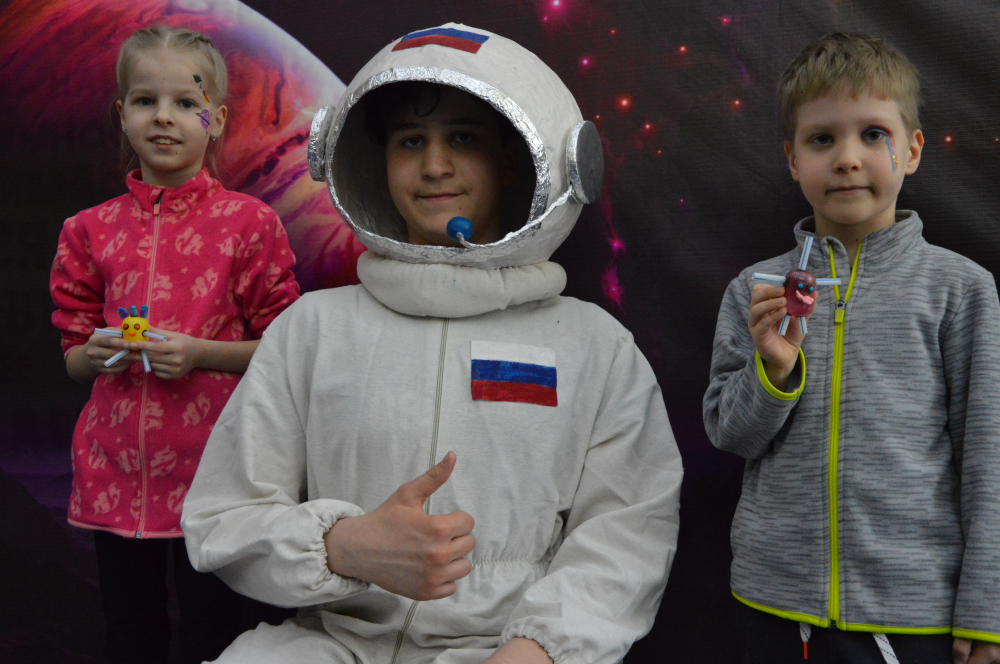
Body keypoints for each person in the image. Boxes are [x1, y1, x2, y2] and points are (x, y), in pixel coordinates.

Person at [182, 23, 683, 664]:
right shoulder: (313, 330)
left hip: (505, 650)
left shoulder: (594, 348)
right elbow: (223, 515)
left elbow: (628, 530)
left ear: (515, 160)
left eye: (463, 139)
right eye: (410, 141)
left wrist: (539, 649)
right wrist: (342, 546)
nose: (434, 166)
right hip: (334, 644)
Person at [703, 33, 1000, 664]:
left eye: (873, 134)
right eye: (821, 139)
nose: (847, 158)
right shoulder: (756, 289)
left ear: (911, 150)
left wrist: (987, 606)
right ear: (792, 159)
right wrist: (774, 370)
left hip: (913, 617)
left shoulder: (960, 289)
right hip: (773, 609)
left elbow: (988, 457)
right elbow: (730, 435)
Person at [49, 25, 301, 664]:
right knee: (130, 633)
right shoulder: (88, 229)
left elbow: (285, 346)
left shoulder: (249, 224)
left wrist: (200, 353)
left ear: (216, 121)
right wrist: (94, 353)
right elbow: (74, 357)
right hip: (114, 472)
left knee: (211, 635)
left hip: (214, 476)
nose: (164, 117)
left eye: (187, 103)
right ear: (122, 114)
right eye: (145, 100)